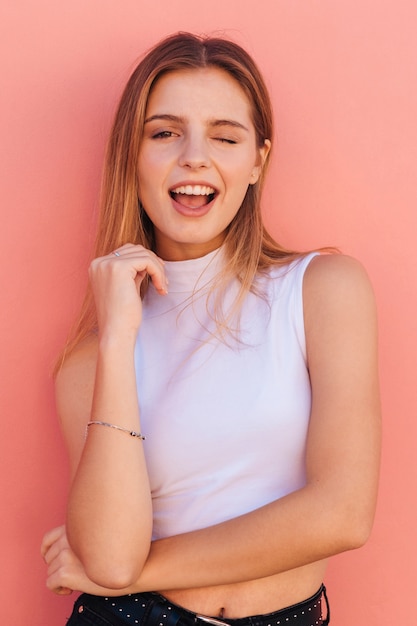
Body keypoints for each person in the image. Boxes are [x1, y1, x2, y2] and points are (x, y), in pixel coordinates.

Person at [41, 32, 381, 626]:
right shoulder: (91, 359)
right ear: (133, 156)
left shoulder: (323, 289)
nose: (194, 156)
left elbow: (342, 514)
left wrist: (130, 570)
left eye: (225, 137)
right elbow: (111, 561)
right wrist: (119, 340)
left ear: (257, 162)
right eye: (165, 133)